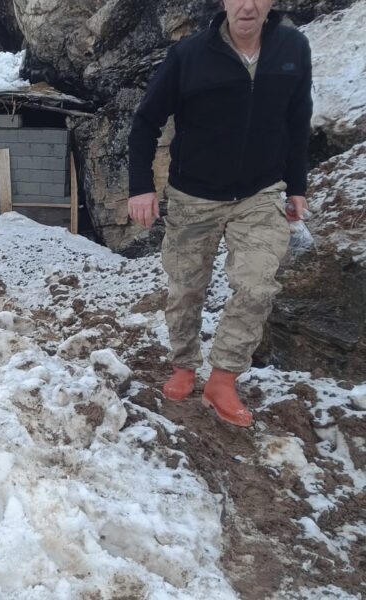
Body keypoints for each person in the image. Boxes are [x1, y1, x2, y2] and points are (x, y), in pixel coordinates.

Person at [127, 0, 312, 427]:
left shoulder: (293, 48)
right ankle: (184, 365)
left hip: (260, 192)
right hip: (194, 194)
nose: (248, 6)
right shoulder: (188, 54)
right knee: (186, 288)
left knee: (257, 286)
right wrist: (140, 187)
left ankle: (223, 378)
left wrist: (297, 187)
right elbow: (146, 121)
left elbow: (298, 119)